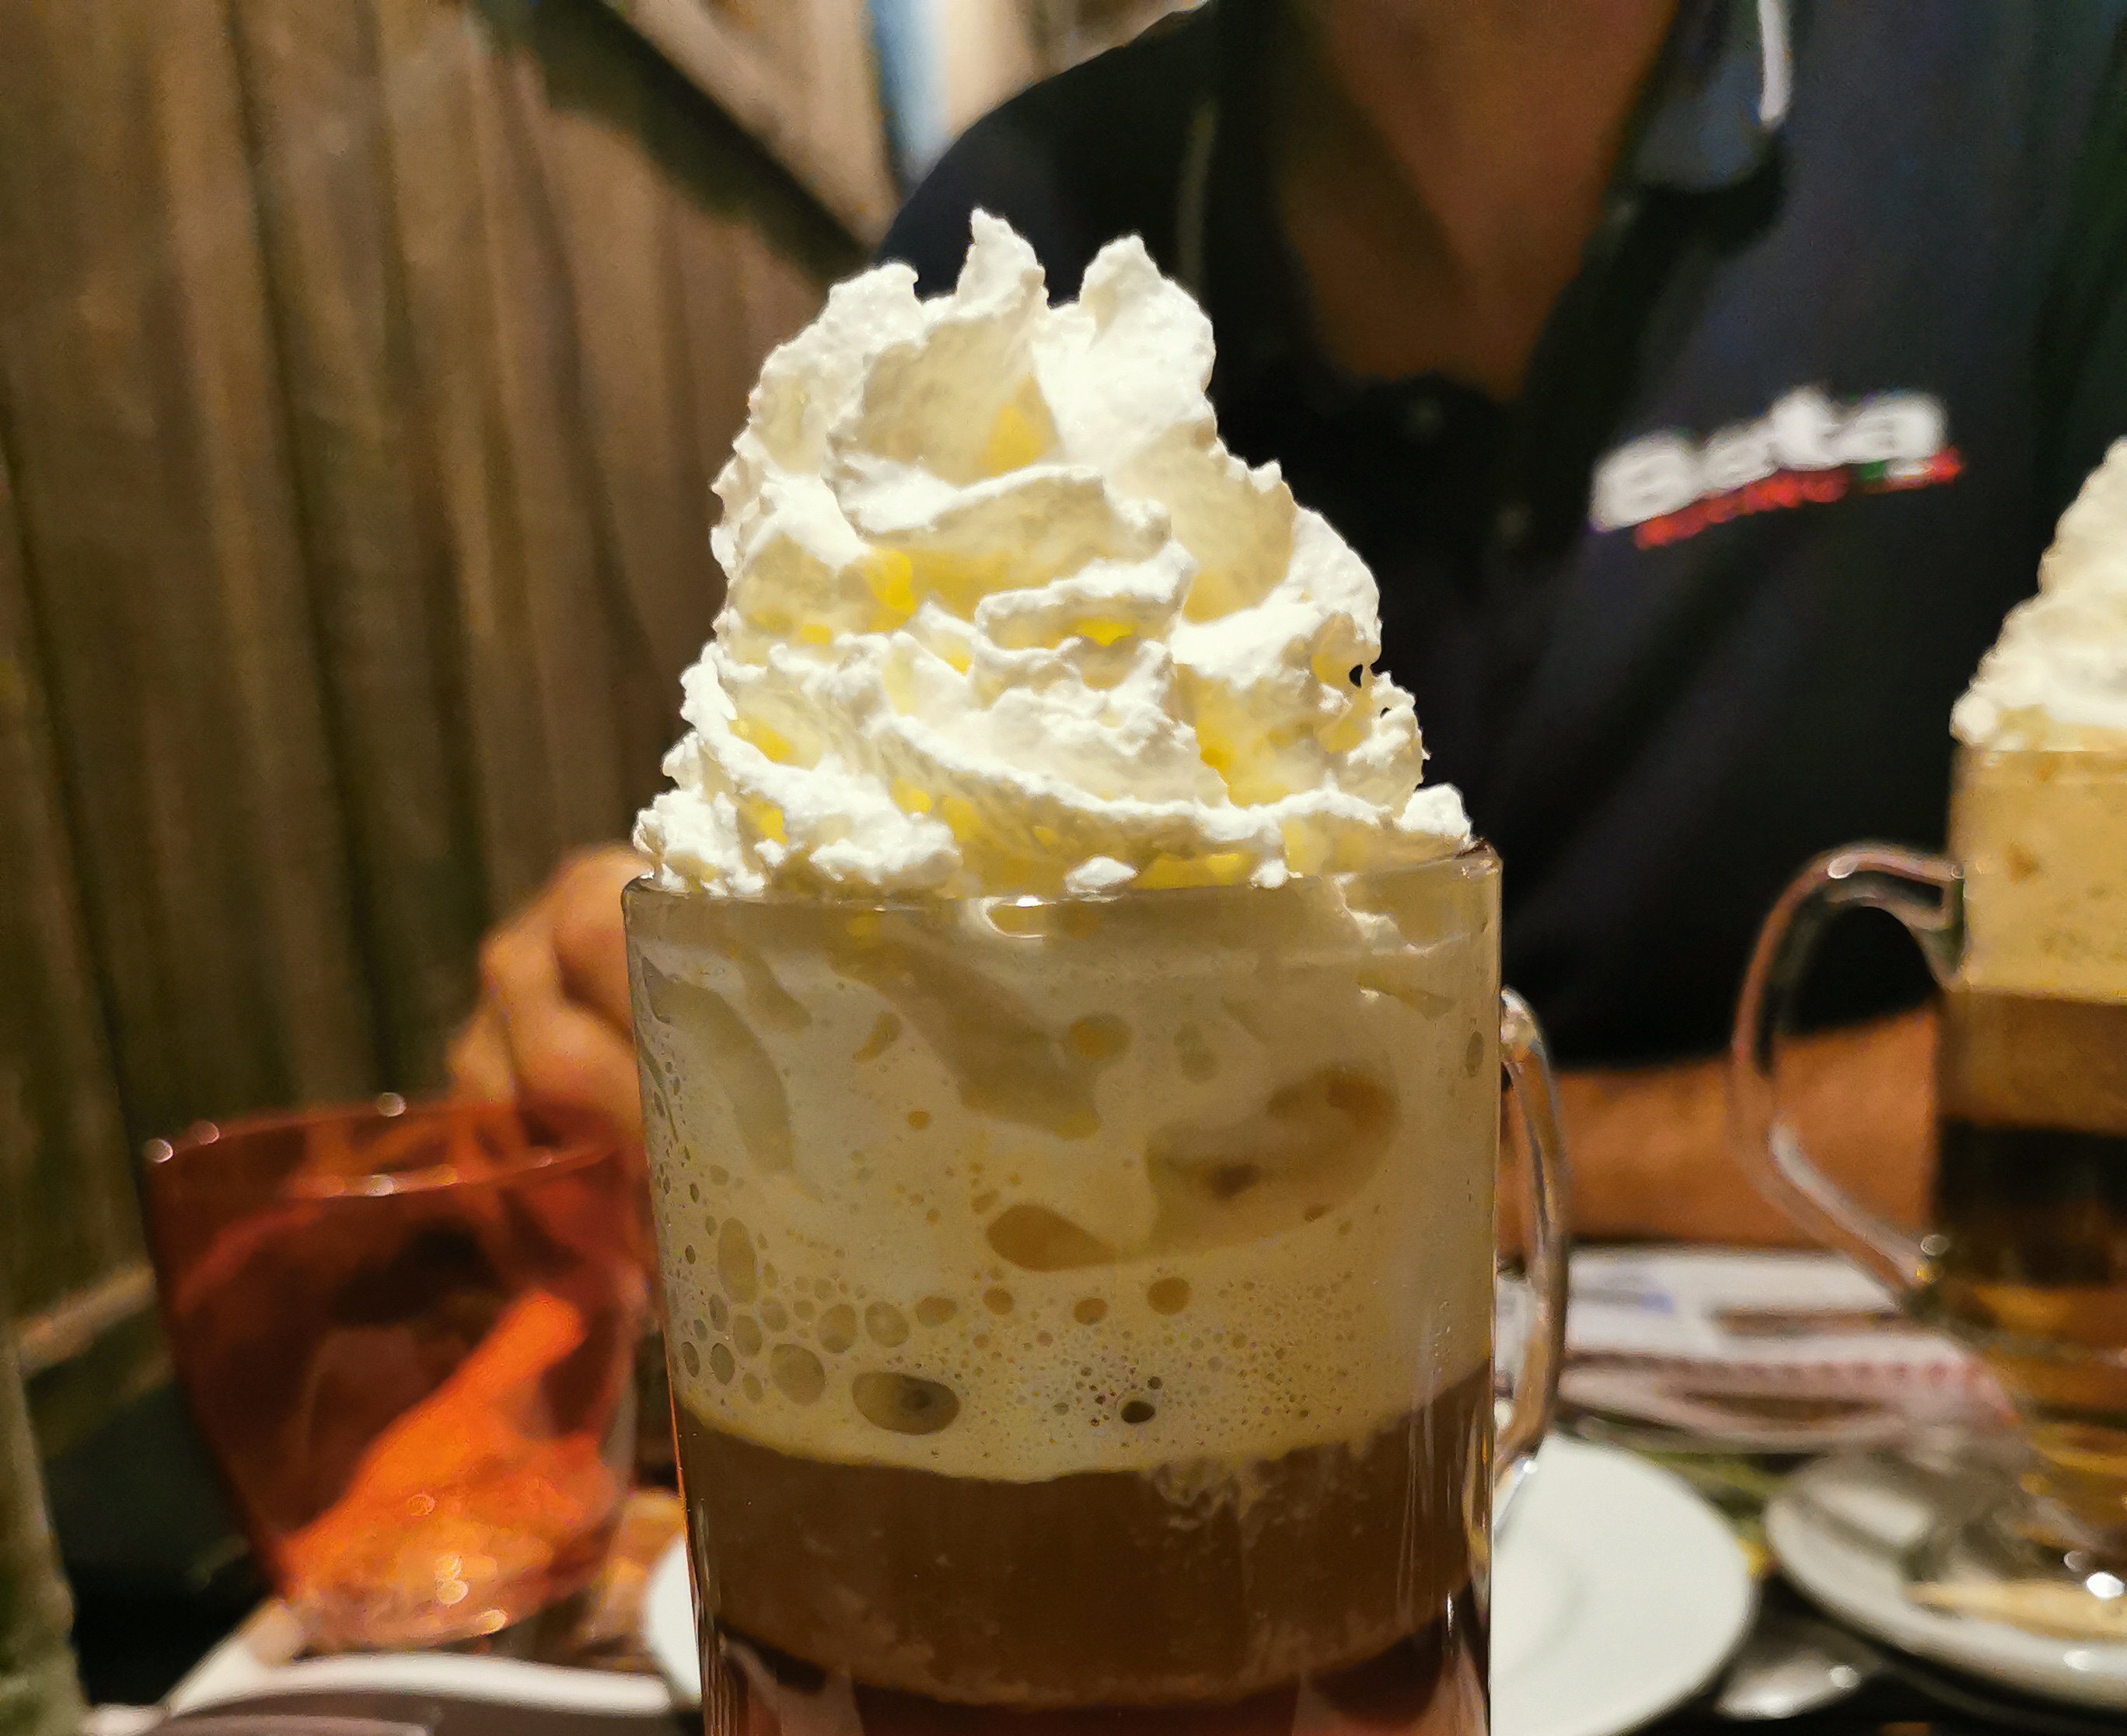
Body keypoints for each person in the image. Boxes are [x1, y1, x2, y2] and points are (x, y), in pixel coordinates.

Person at [453, 0, 2127, 1241]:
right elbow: (823, 945)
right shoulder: (1018, 262)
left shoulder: (2046, 104)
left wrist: (1451, 1156)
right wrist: (643, 1037)